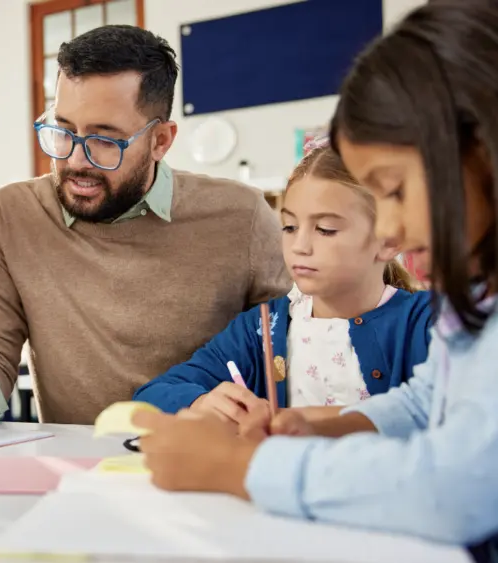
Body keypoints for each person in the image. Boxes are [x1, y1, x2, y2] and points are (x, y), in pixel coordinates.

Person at [134, 1, 498, 559]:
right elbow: (428, 403)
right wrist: (314, 425)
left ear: (483, 150)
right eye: (289, 226)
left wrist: (244, 466)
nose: (393, 228)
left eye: (395, 191)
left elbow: (457, 488)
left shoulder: (427, 311)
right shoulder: (467, 299)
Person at [0, 25, 290, 435]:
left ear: (160, 141)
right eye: (63, 130)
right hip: (77, 474)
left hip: (208, 461)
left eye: (105, 140)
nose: (76, 160)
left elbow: (295, 349)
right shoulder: (11, 215)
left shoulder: (242, 217)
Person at [133, 141, 431, 424]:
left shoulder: (430, 323)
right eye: (289, 226)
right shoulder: (263, 328)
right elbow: (149, 398)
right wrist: (198, 402)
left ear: (390, 240)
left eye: (325, 229)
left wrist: (304, 423)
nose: (299, 246)